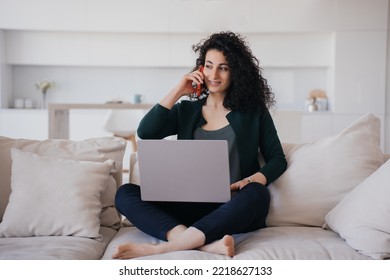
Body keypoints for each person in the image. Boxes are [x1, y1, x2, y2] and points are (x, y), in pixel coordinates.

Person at [113, 31, 287, 259]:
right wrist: (178, 91)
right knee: (125, 193)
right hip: (188, 205)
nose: (214, 74)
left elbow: (277, 159)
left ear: (236, 72)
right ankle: (203, 244)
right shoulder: (187, 110)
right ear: (200, 68)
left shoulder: (254, 113)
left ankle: (166, 247)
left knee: (257, 194)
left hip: (232, 207)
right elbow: (146, 132)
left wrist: (250, 180)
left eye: (223, 67)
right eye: (209, 65)